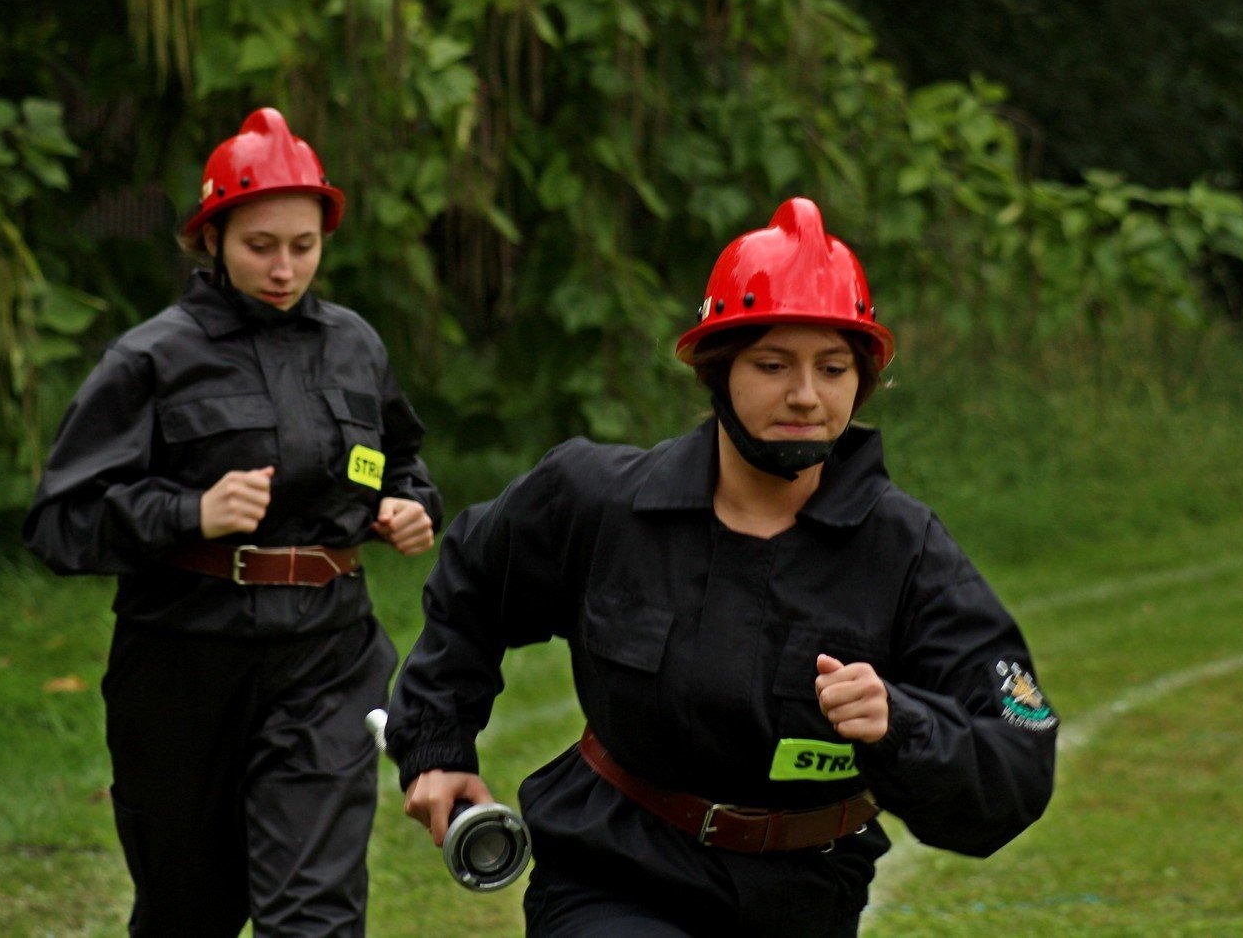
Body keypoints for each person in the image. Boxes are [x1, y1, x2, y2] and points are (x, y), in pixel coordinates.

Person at [384, 196, 1057, 936]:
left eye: (832, 368)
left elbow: (1016, 764)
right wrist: (435, 743)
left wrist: (902, 724)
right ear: (718, 369)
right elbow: (474, 589)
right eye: (773, 364)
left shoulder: (906, 552)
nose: (805, 394)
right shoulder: (597, 499)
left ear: (860, 382)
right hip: (611, 872)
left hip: (805, 896)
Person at [23, 107, 444, 937]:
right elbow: (58, 521)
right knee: (190, 910)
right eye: (260, 245)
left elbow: (400, 459)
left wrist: (409, 504)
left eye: (303, 245)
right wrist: (191, 512)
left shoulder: (356, 346)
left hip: (329, 658)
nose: (285, 268)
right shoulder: (151, 359)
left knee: (313, 915)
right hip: (183, 665)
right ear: (210, 237)